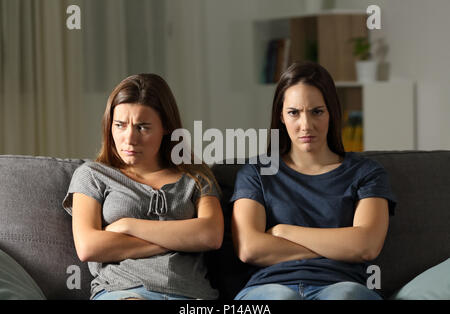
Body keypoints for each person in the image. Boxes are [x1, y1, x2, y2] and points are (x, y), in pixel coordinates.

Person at [230, 61, 396, 300]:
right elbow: (249, 248)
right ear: (281, 116)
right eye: (294, 113)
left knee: (345, 296)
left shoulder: (366, 172)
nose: (305, 125)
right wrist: (337, 246)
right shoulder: (256, 172)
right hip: (269, 287)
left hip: (341, 285)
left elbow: (366, 246)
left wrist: (282, 231)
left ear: (331, 112)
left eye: (316, 111)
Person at [63, 74, 224, 300]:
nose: (129, 139)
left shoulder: (195, 178)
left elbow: (210, 235)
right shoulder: (92, 175)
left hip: (190, 295)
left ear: (166, 126)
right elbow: (89, 247)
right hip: (123, 291)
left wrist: (128, 225)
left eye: (142, 127)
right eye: (119, 125)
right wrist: (178, 240)